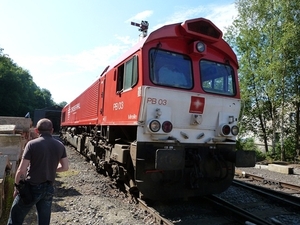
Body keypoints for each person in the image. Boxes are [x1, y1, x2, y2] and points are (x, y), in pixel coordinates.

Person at [7, 118, 69, 225]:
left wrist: (17, 188)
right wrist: (51, 169)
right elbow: (65, 167)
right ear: (52, 130)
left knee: (15, 218)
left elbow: (21, 170)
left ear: (36, 130)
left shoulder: (32, 144)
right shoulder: (60, 145)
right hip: (48, 188)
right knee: (44, 222)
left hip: (32, 187)